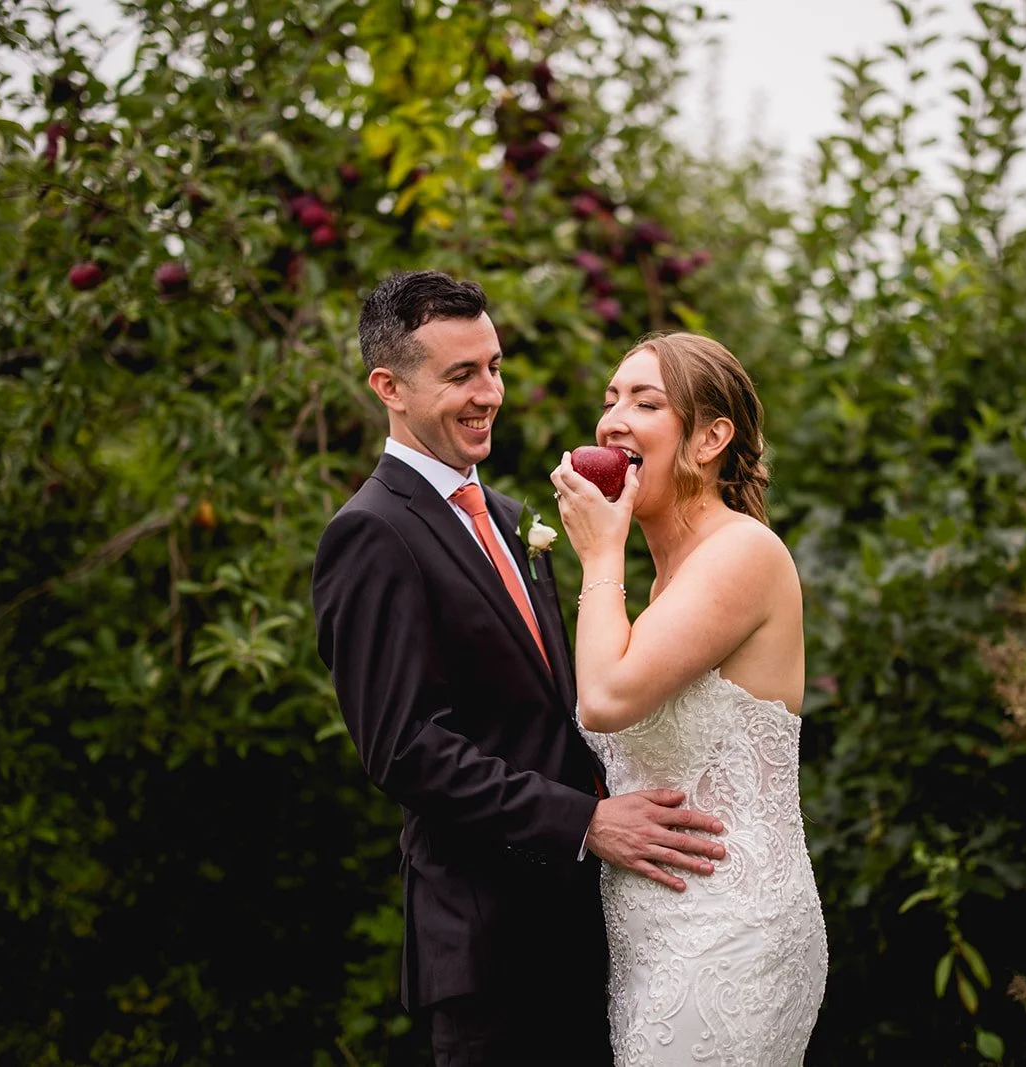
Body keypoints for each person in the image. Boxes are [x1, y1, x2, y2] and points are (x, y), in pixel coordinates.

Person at [310, 272, 728, 1067]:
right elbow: (405, 750)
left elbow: (556, 710)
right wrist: (585, 822)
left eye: (494, 367)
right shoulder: (370, 533)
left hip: (582, 931)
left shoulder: (508, 516)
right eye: (461, 374)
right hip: (488, 947)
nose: (489, 393)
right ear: (389, 387)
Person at [548, 332, 828, 1066]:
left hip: (729, 935)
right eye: (611, 399)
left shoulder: (742, 553)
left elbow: (605, 698)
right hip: (658, 939)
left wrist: (599, 554)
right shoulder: (667, 581)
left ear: (710, 438)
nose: (613, 419)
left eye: (646, 403)